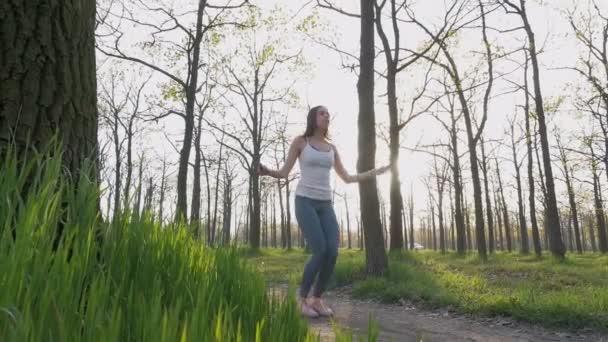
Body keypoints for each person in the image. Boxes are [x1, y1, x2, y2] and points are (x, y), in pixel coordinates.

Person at [258, 105, 390, 318]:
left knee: (333, 251)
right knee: (319, 249)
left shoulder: (332, 148)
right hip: (305, 201)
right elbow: (284, 172)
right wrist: (267, 172)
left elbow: (346, 177)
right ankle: (300, 299)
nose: (327, 116)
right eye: (322, 113)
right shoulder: (301, 142)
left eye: (328, 113)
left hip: (325, 204)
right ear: (313, 118)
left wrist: (374, 172)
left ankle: (316, 298)